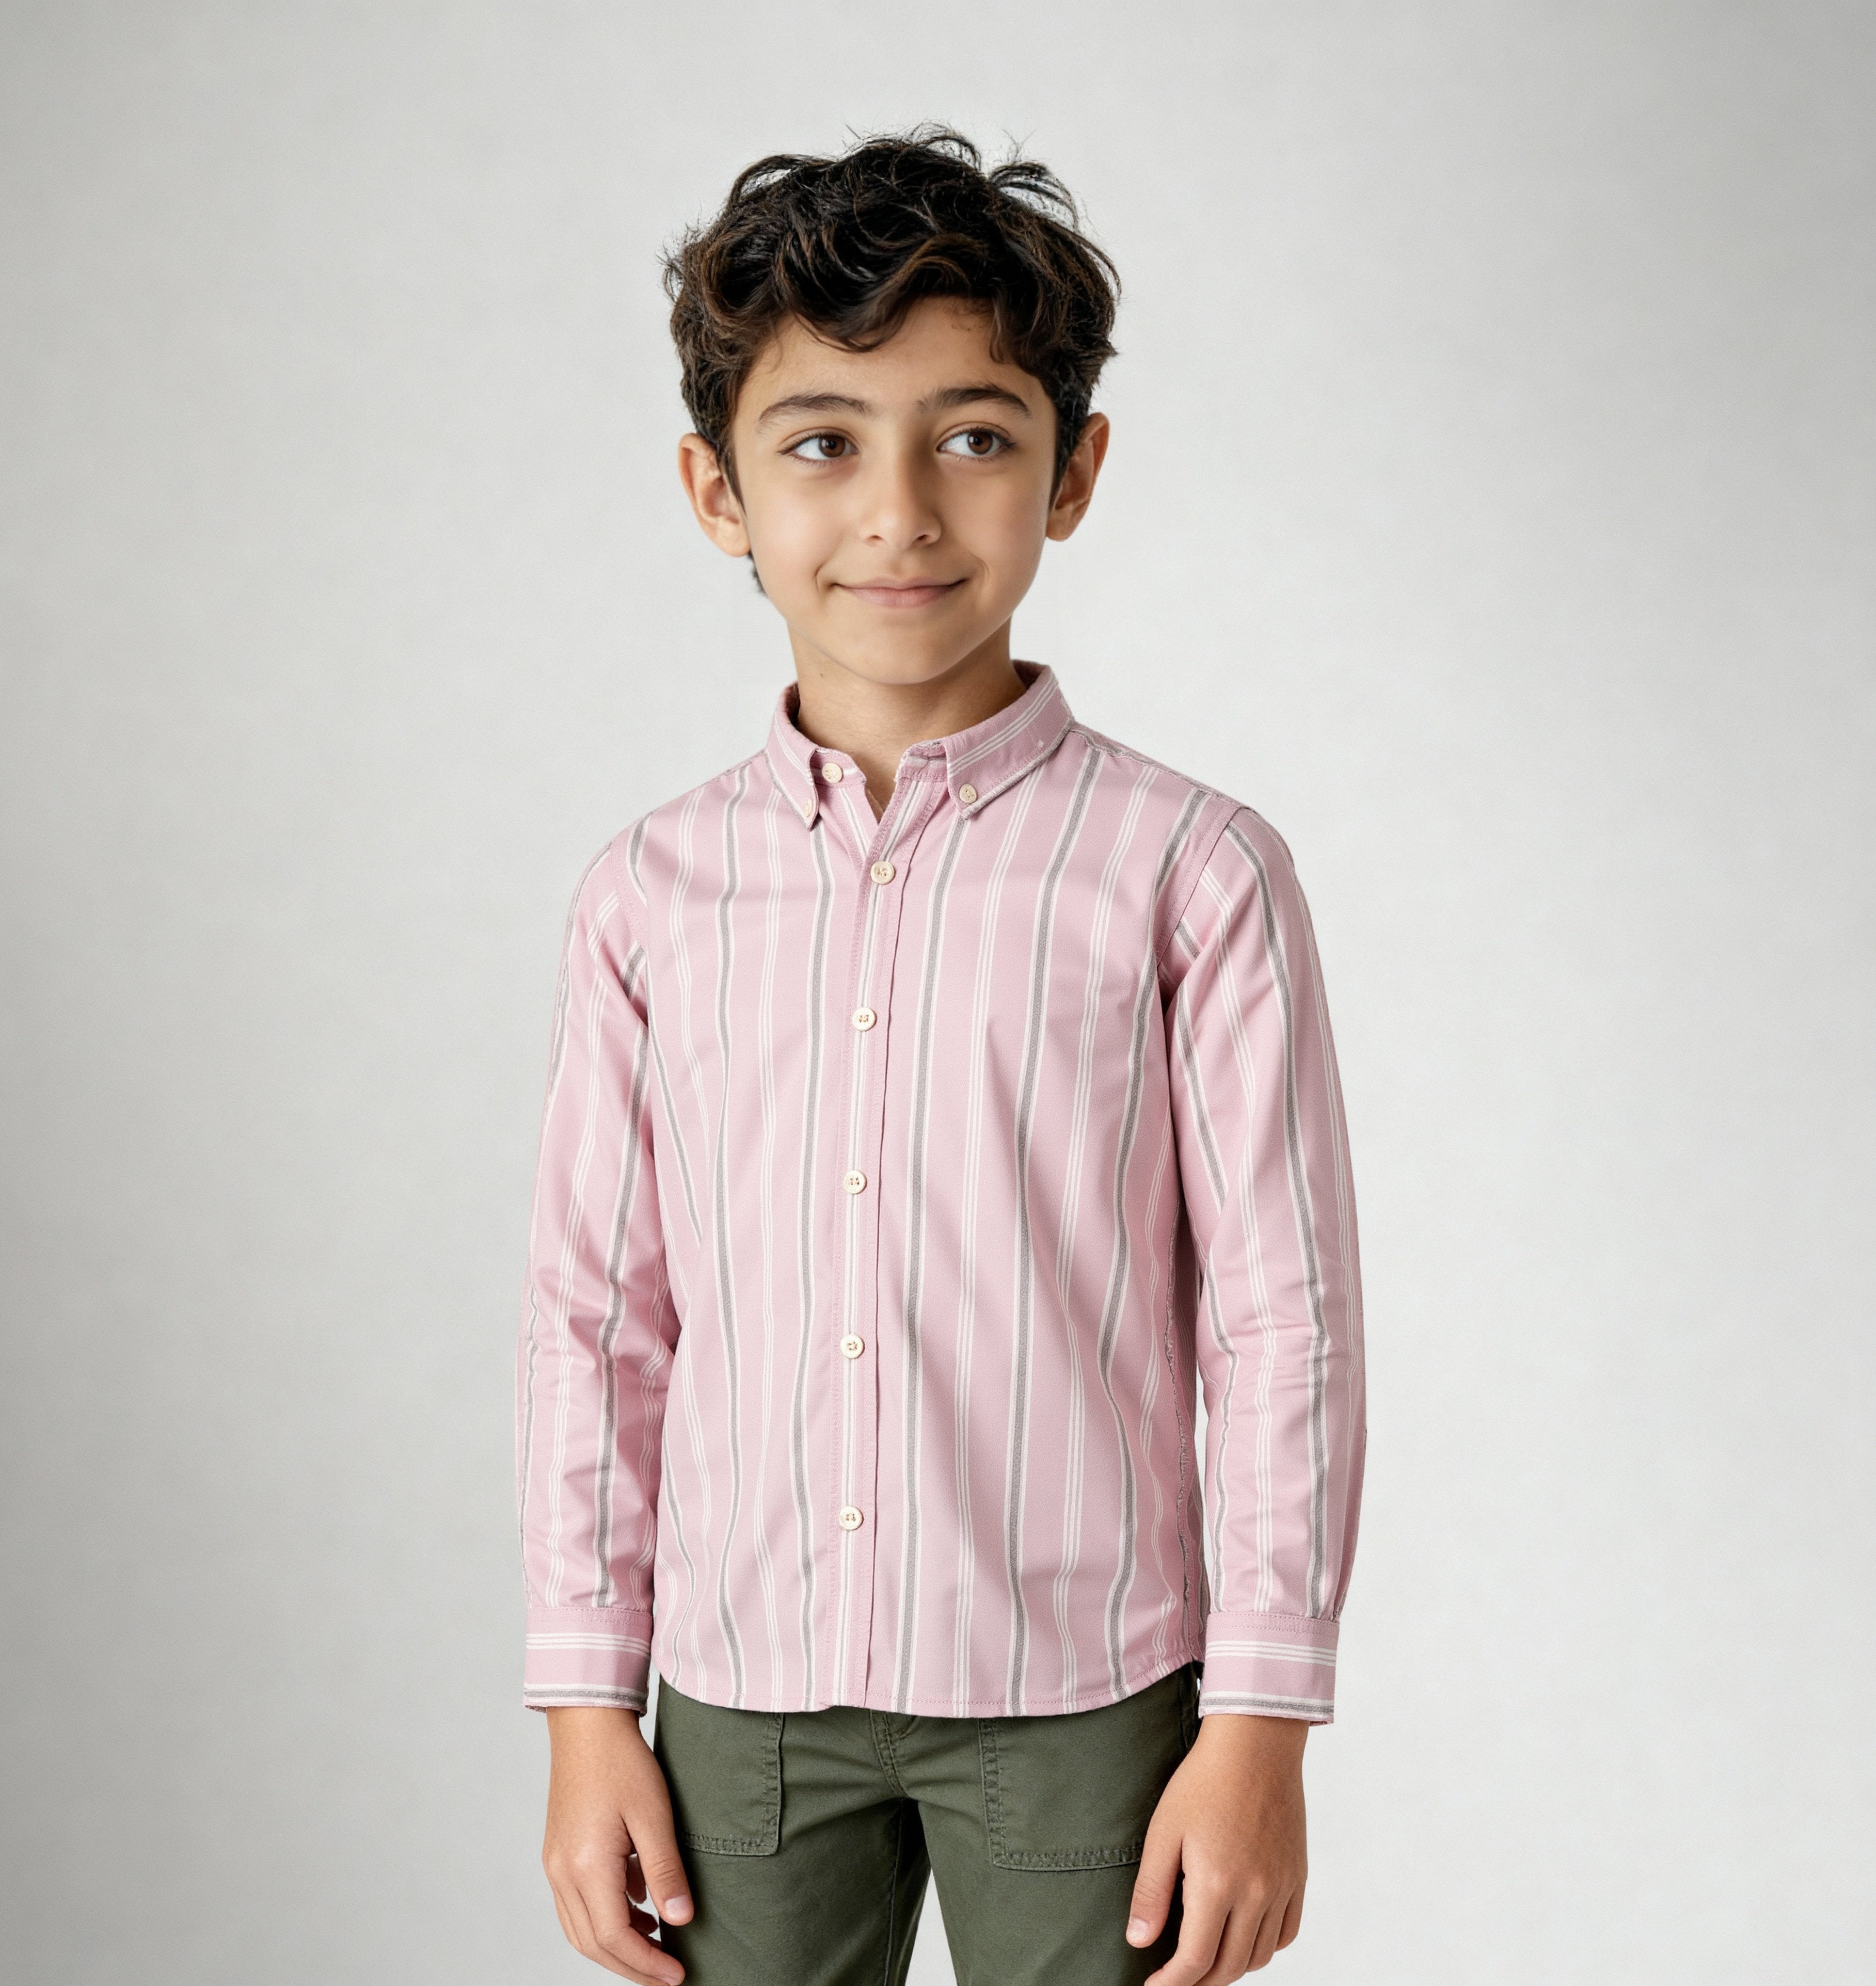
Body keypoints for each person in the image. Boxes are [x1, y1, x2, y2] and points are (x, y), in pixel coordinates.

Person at [516, 125, 1367, 1986]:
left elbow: (1281, 1320)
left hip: (1088, 1692)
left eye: (973, 436)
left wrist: (1262, 1724)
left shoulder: (1192, 873)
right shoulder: (648, 896)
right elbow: (600, 1320)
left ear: (1074, 473)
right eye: (822, 442)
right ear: (718, 490)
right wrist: (587, 1709)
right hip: (741, 1696)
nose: (899, 510)